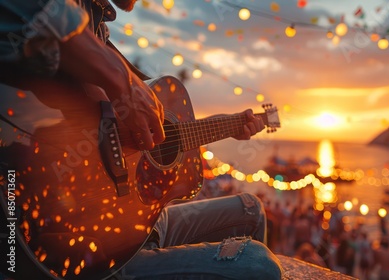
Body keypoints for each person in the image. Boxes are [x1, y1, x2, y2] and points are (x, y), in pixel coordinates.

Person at [0, 0, 282, 279]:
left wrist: (219, 126)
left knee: (251, 209)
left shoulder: (97, 27)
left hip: (135, 225)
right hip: (82, 250)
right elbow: (35, 11)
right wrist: (122, 80)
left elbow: (137, 139)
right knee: (257, 265)